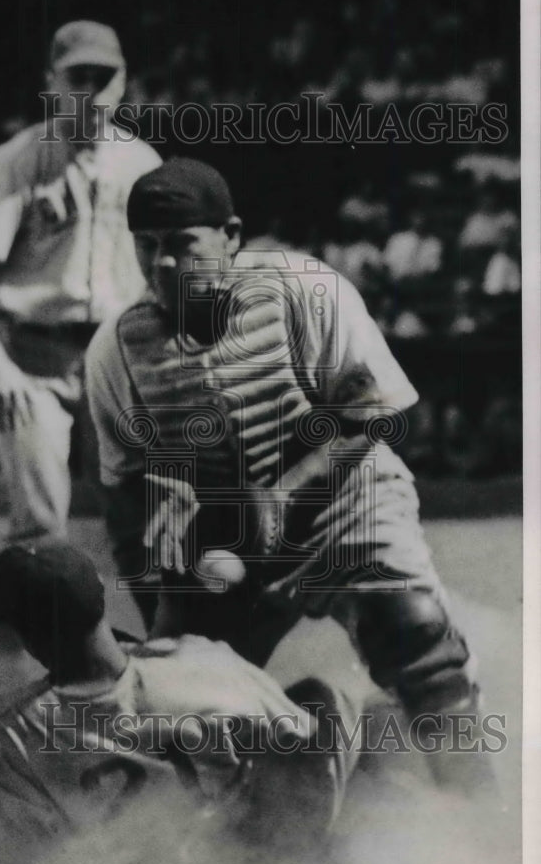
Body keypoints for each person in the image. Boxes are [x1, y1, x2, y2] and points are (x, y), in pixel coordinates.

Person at [85, 157, 493, 794]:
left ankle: (477, 805)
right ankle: (245, 831)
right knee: (183, 701)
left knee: (410, 628)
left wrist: (283, 489)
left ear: (232, 236)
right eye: (149, 247)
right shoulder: (115, 352)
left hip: (342, 496)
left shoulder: (307, 291)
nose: (164, 264)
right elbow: (127, 500)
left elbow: (377, 421)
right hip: (225, 538)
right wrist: (170, 623)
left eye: (183, 244)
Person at [0, 540, 358, 864]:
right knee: (322, 701)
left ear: (29, 636)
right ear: (102, 602)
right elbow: (309, 746)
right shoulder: (202, 661)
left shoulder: (10, 732)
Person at [0, 21, 161, 548]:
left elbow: (162, 269)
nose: (90, 90)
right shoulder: (18, 161)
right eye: (77, 76)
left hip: (116, 359)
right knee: (40, 533)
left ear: (124, 81)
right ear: (52, 82)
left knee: (144, 524)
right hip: (33, 360)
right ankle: (25, 631)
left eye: (103, 76)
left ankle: (161, 635)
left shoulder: (143, 162)